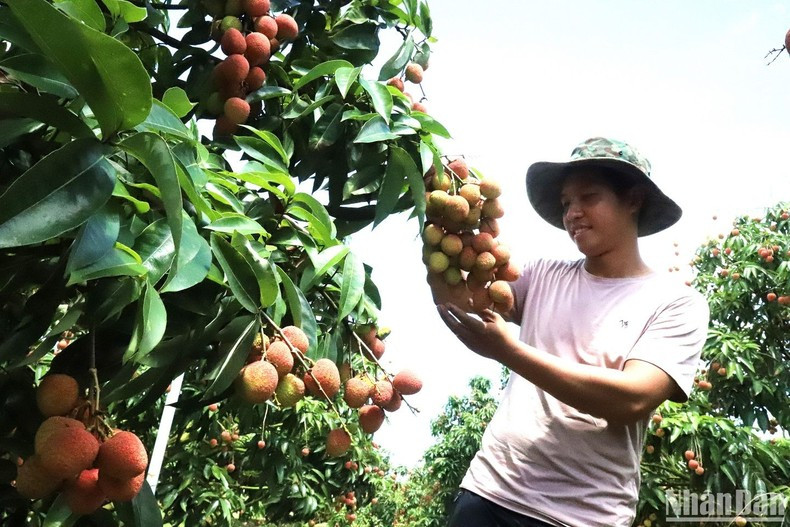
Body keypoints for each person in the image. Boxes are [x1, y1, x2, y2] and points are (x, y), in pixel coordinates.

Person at [433, 137, 710, 527]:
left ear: (633, 200)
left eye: (589, 197)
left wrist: (510, 352)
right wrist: (438, 224)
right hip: (489, 494)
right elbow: (466, 304)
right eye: (565, 204)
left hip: (583, 516)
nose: (573, 214)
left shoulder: (675, 303)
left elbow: (632, 398)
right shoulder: (543, 275)